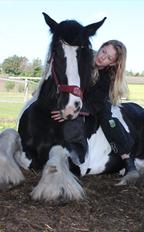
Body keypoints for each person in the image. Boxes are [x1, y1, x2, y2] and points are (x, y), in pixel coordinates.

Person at [51, 40, 139, 184]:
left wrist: (73, 111)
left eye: (109, 58)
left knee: (108, 119)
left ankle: (127, 160)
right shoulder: (83, 58)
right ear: (101, 47)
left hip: (96, 102)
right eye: (104, 51)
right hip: (76, 96)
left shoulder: (107, 76)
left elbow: (95, 103)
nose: (103, 57)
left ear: (112, 64)